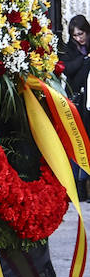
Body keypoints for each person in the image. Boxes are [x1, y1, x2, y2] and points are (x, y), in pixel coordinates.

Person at [63, 15, 90, 201]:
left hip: (88, 101)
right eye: (75, 36)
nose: (79, 39)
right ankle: (78, 184)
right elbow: (67, 69)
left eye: (81, 34)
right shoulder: (69, 49)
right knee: (77, 142)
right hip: (76, 102)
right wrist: (86, 60)